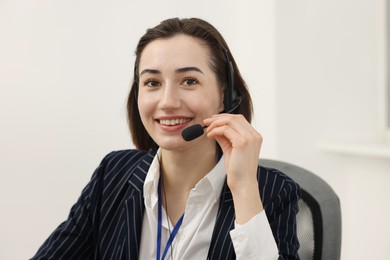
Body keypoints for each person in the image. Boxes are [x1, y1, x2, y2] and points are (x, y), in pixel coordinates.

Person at [32, 17, 300, 260]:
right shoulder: (111, 175)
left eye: (189, 81)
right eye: (152, 83)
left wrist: (243, 188)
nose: (168, 102)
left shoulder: (270, 191)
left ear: (225, 96)